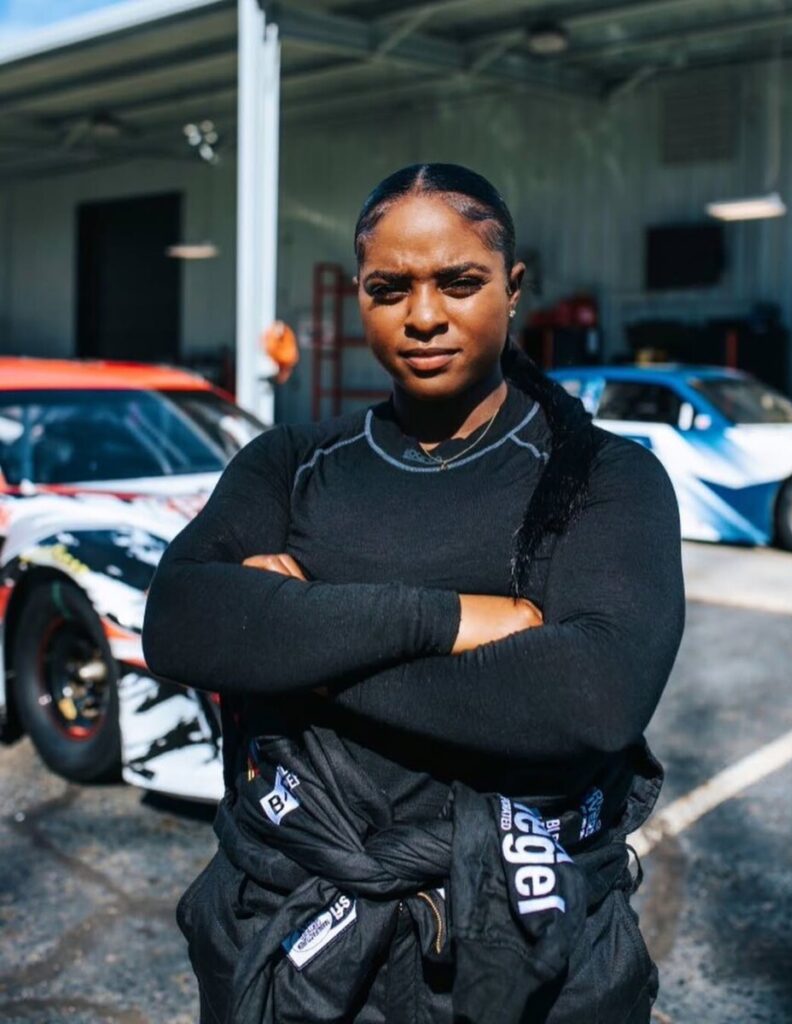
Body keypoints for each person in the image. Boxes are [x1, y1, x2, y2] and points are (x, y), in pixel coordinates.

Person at [142, 163, 685, 1023]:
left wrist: (291, 643)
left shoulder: (602, 477)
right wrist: (442, 619)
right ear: (360, 295)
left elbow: (591, 695)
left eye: (459, 283)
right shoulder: (290, 464)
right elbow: (177, 622)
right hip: (291, 929)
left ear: (513, 288)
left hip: (516, 947)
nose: (423, 316)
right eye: (388, 289)